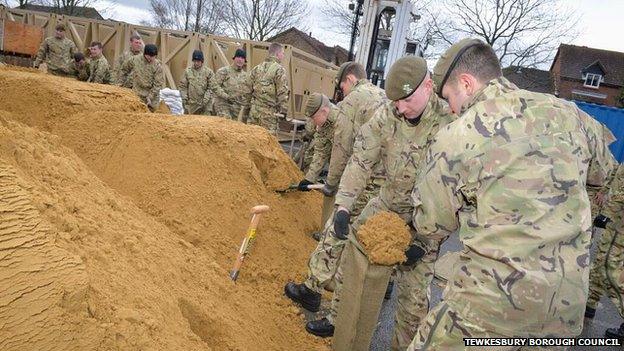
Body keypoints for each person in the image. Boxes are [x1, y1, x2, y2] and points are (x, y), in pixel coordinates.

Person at [407, 38, 616, 350]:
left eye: (450, 98)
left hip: (489, 310)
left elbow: (429, 225)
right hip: (563, 311)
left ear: (466, 83)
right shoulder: (572, 115)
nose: (451, 109)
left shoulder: (459, 135)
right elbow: (606, 174)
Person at [330, 56, 455, 350]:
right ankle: (339, 324)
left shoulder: (451, 124)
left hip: (425, 220)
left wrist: (425, 240)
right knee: (351, 263)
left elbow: (456, 195)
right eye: (395, 100)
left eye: (407, 100)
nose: (400, 108)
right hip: (386, 207)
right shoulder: (388, 114)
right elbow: (361, 159)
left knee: (412, 305)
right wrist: (344, 205)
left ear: (428, 86)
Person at [285, 62, 386, 337]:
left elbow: (341, 148)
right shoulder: (383, 97)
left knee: (334, 233)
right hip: (382, 187)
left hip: (362, 183)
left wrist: (332, 186)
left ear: (350, 80)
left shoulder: (354, 101)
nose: (341, 92)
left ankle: (311, 290)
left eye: (341, 86)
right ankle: (342, 308)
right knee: (358, 243)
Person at [586, 163, 624, 340]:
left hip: (619, 222)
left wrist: (607, 213)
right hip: (615, 220)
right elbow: (616, 173)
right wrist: (604, 190)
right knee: (601, 260)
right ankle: (588, 307)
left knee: (610, 268)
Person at [241, 43, 289, 134]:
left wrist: (246, 110)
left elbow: (247, 90)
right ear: (278, 54)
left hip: (254, 112)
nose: (283, 56)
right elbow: (282, 92)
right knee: (267, 143)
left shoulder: (256, 68)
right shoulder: (279, 70)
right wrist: (284, 111)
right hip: (269, 115)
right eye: (282, 53)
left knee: (251, 138)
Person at [121, 44, 164, 112]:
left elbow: (158, 84)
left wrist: (150, 96)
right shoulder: (135, 59)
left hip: (152, 97)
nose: (151, 58)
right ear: (145, 54)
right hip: (137, 94)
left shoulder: (157, 66)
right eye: (149, 56)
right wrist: (121, 85)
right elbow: (124, 70)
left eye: (154, 56)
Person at [179, 50, 219, 115]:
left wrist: (205, 100)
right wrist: (184, 98)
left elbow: (211, 88)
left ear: (202, 61)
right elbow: (183, 87)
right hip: (191, 105)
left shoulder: (208, 72)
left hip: (205, 106)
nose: (196, 63)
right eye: (195, 61)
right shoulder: (188, 72)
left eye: (198, 61)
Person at [213, 49, 249, 119]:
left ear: (244, 61)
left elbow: (247, 92)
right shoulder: (223, 71)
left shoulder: (246, 76)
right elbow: (215, 87)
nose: (240, 60)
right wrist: (227, 97)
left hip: (236, 108)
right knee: (225, 122)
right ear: (234, 58)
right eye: (238, 57)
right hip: (223, 104)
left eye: (242, 58)